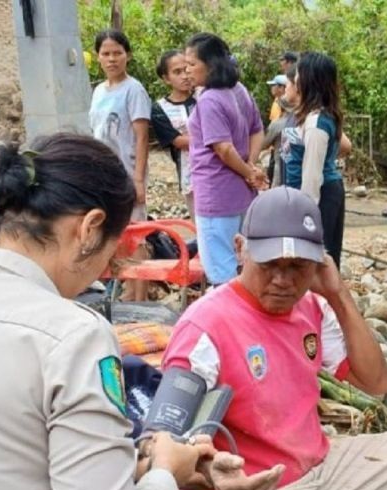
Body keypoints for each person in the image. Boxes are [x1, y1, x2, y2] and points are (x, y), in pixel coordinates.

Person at [0, 133, 282, 490]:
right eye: (112, 253)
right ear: (90, 228)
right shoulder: (74, 338)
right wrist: (164, 476)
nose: (107, 270)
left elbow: (17, 466)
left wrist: (149, 462)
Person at [161, 187, 387, 490]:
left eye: (298, 267)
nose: (283, 280)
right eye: (269, 265)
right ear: (239, 249)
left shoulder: (312, 308)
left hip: (318, 466)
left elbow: (376, 384)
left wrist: (338, 295)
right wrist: (210, 474)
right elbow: (164, 444)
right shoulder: (204, 326)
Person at [184, 32, 267, 285]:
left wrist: (248, 171)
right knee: (244, 264)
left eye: (191, 64)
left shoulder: (209, 100)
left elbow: (223, 150)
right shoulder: (238, 90)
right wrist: (251, 167)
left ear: (211, 65)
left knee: (221, 272)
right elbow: (257, 130)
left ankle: (229, 323)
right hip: (242, 195)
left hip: (216, 195)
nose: (187, 71)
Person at [89, 29, 151, 302]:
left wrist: (138, 179)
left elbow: (141, 136)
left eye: (117, 53)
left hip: (127, 173)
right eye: (106, 53)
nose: (112, 59)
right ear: (98, 57)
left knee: (135, 232)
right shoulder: (99, 91)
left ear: (128, 56)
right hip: (104, 175)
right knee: (114, 232)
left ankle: (140, 296)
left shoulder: (134, 90)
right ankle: (126, 291)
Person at [282, 52, 347, 268]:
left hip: (322, 194)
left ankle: (321, 300)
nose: (295, 78)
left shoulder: (316, 123)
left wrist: (305, 214)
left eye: (299, 73)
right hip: (326, 190)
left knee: (318, 257)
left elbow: (312, 175)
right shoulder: (314, 115)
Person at [151, 49, 197, 220]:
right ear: (166, 78)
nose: (185, 76)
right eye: (177, 72)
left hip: (219, 166)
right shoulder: (159, 109)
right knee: (199, 219)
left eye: (187, 69)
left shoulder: (204, 95)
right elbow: (177, 141)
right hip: (188, 171)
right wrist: (214, 141)